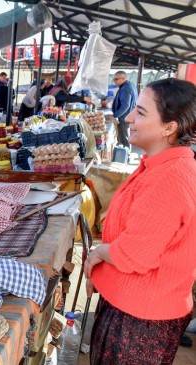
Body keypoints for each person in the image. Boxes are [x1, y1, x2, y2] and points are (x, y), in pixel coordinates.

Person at [84, 78, 196, 365]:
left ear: (169, 128)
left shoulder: (168, 178)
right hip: (135, 308)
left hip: (140, 319)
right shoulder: (165, 165)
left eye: (142, 112)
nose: (130, 117)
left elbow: (135, 253)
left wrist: (98, 253)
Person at [111, 71, 138, 149]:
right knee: (126, 135)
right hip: (129, 115)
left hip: (125, 117)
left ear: (123, 78)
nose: (115, 81)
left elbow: (126, 105)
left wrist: (115, 115)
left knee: (125, 137)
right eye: (114, 79)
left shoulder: (125, 88)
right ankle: (126, 152)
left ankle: (126, 154)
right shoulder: (130, 85)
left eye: (116, 79)